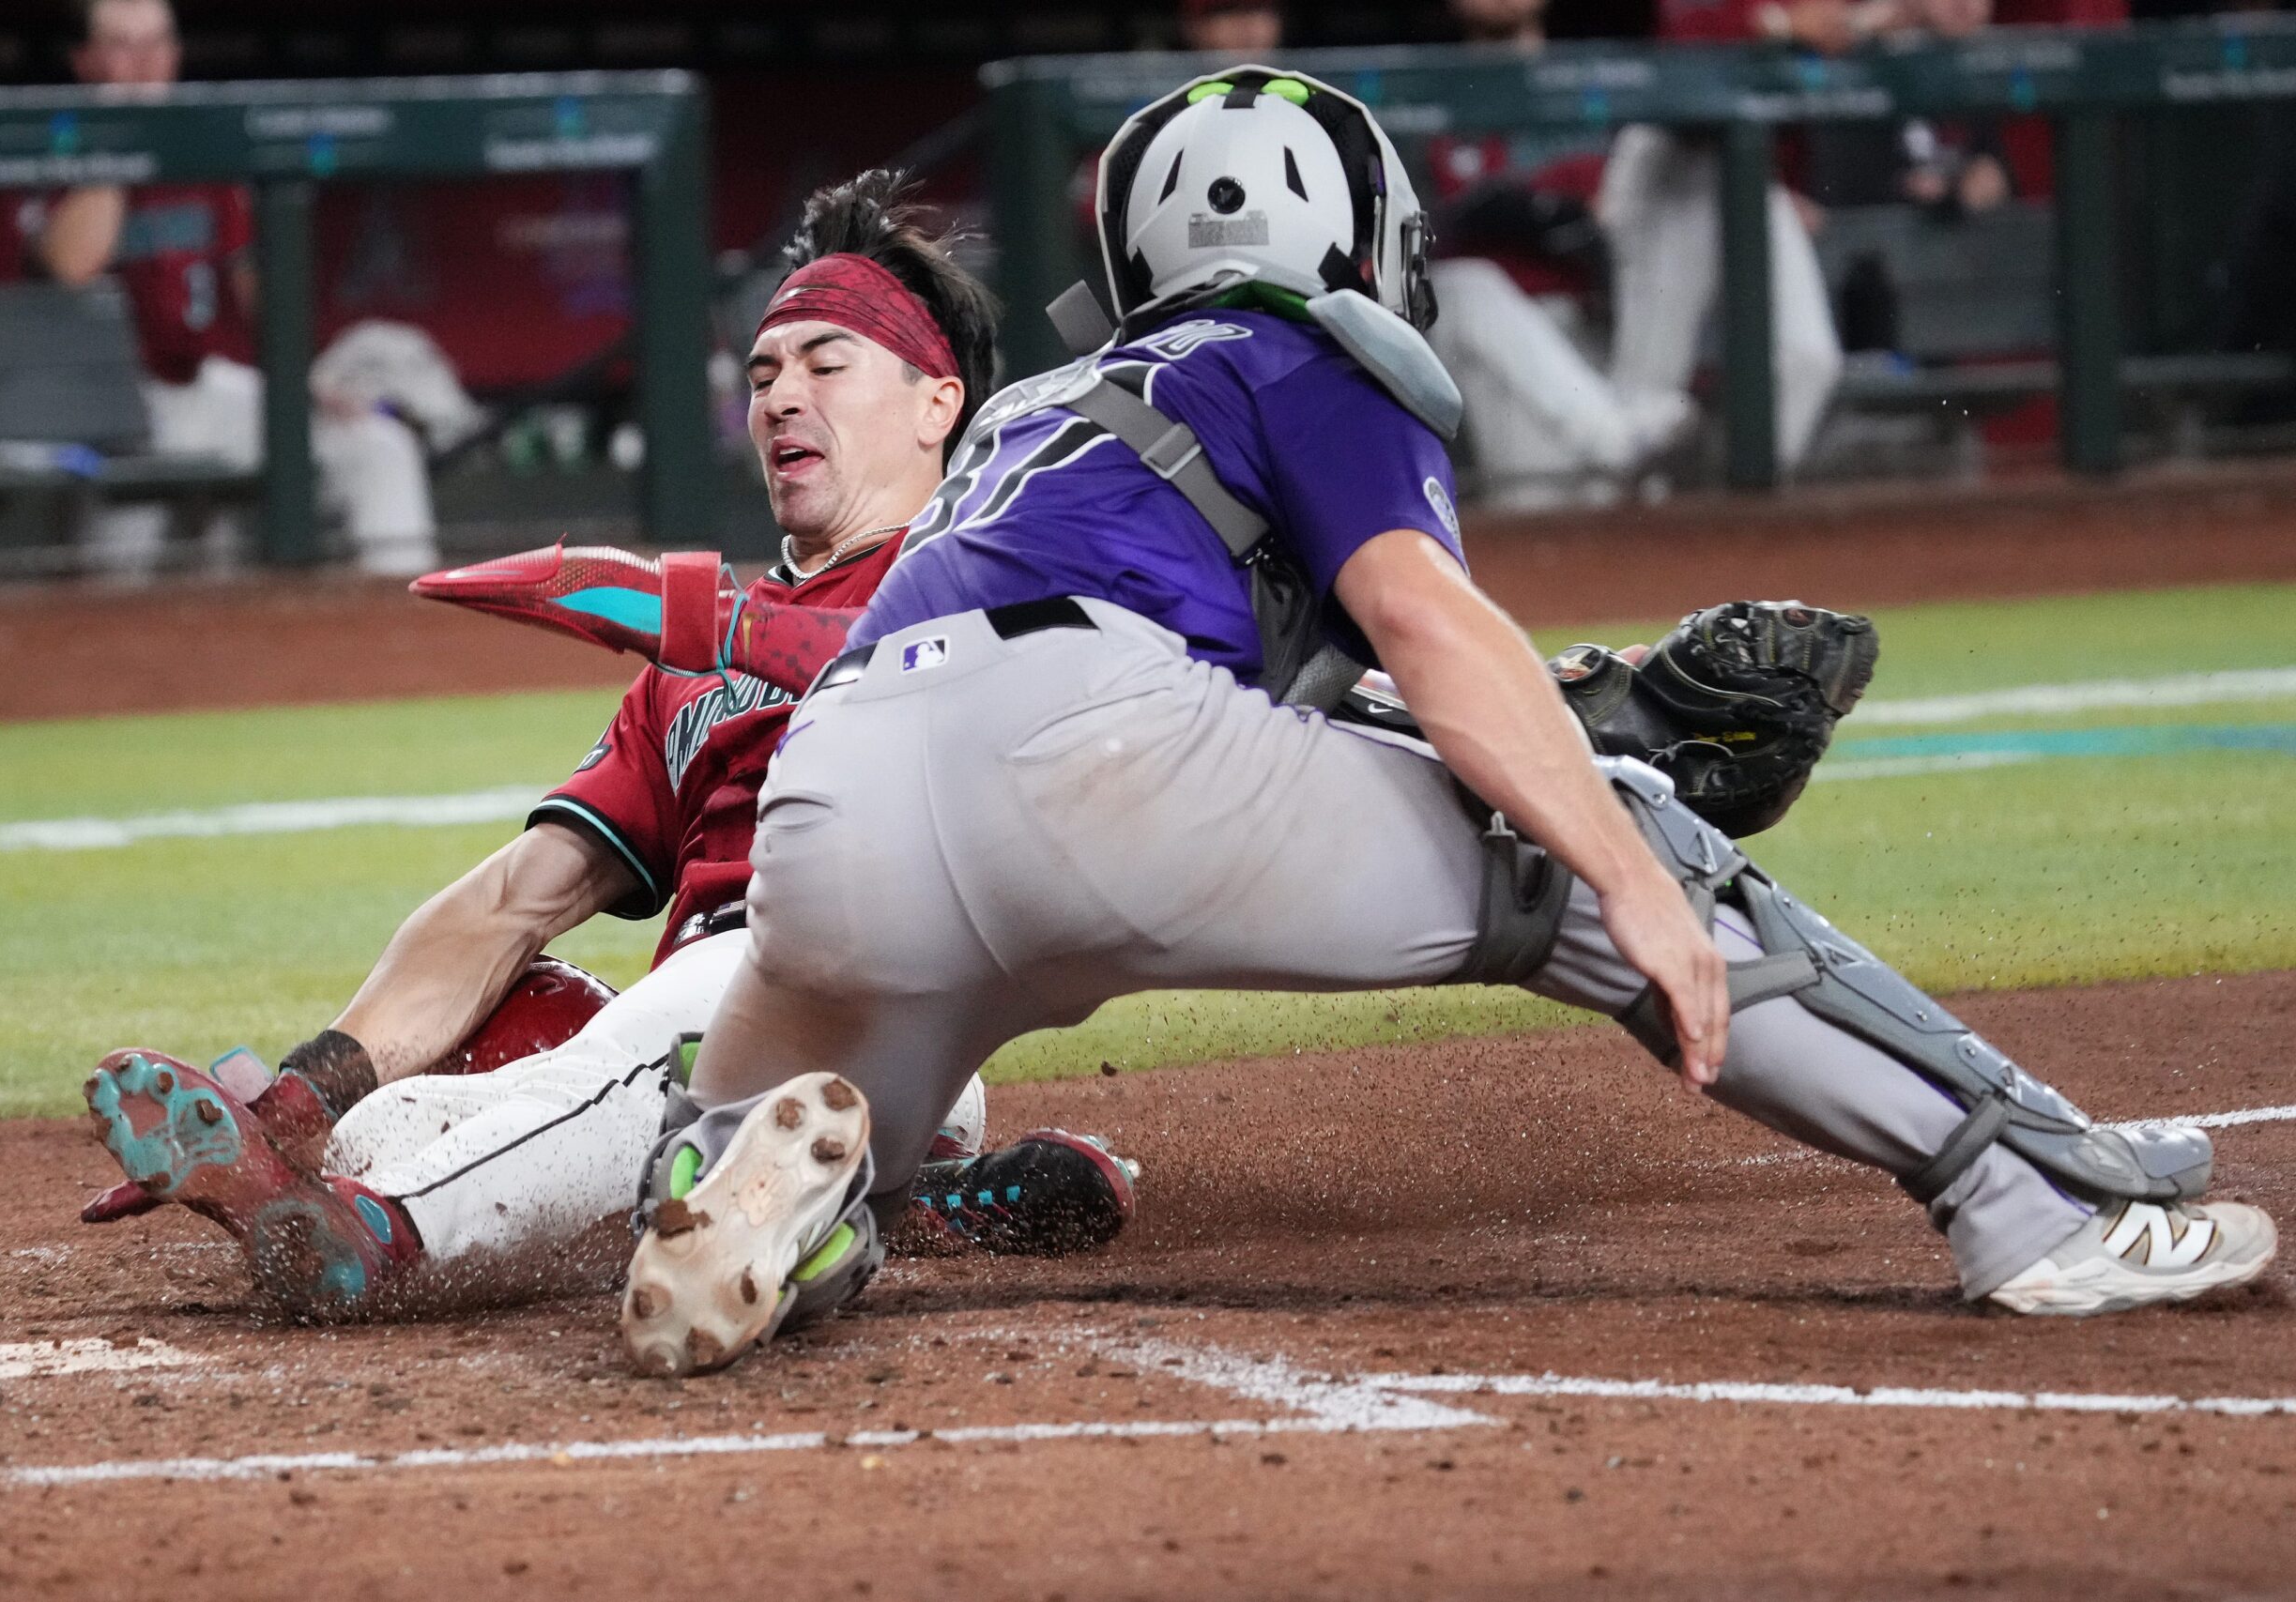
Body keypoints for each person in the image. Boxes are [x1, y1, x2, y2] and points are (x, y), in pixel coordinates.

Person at [618, 66, 2274, 1377]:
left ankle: (771, 1193)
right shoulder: (1296, 341)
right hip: (1096, 763)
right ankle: (2028, 1202)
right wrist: (1618, 840)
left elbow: (1299, 701)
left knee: (795, 1133)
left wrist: (1554, 710)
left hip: (843, 813)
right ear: (1341, 225)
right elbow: (1417, 627)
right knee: (1598, 857)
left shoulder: (1036, 413)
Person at [81, 173, 1138, 1319]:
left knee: (648, 1061)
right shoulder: (688, 671)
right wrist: (299, 1101)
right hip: (726, 1033)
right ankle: (879, 1202)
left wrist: (699, 612)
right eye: (764, 373)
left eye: (826, 366)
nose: (783, 395)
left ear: (938, 406)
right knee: (418, 1104)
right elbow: (509, 902)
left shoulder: (995, 571)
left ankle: (384, 1234)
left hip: (864, 990)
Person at [35, 0, 439, 578]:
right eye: (122, 46)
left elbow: (259, 297)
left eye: (156, 44)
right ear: (85, 60)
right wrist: (122, 139)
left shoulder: (206, 146)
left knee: (378, 448)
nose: (144, 64)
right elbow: (73, 265)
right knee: (114, 581)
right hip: (105, 414)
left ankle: (407, 634)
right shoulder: (54, 142)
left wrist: (303, 383)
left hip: (207, 388)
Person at [1424, 0, 1695, 506]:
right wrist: (1544, 211)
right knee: (1460, 284)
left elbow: (1616, 214)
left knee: (1597, 506)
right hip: (1497, 346)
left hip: (1598, 329)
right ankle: (1621, 437)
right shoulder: (1431, 91)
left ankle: (1620, 437)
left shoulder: (1597, 79)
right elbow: (1455, 218)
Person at [1599, 0, 1860, 472]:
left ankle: (1740, 512)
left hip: (1753, 166)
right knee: (1650, 388)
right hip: (1673, 160)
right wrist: (1779, 25)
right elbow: (1683, 38)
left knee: (1808, 360)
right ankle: (1613, 522)